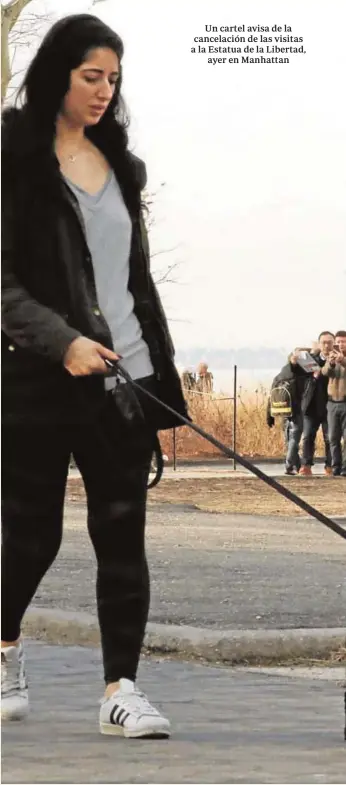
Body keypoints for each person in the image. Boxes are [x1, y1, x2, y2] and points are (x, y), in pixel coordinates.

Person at [1, 14, 189, 738]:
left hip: (124, 381)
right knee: (31, 537)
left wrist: (154, 372)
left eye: (113, 78)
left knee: (122, 532)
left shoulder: (121, 167)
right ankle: (6, 648)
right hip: (38, 383)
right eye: (91, 76)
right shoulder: (11, 156)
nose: (105, 90)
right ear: (56, 73)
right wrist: (65, 339)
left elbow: (133, 283)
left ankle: (121, 688)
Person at [291, 332, 334, 476]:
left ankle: (330, 465)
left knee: (330, 438)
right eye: (324, 342)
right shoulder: (310, 360)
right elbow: (297, 373)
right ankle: (306, 465)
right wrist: (293, 362)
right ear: (319, 344)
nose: (327, 345)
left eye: (329, 342)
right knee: (308, 436)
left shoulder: (337, 360)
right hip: (311, 405)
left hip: (330, 405)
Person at [267, 351, 308, 474]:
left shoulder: (279, 376)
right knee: (294, 439)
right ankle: (289, 466)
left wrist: (269, 417)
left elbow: (271, 398)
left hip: (282, 411)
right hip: (295, 411)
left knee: (289, 439)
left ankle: (296, 464)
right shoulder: (298, 377)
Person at [321, 331, 346, 476]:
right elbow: (324, 372)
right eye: (339, 342)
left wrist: (342, 360)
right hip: (332, 404)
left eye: (344, 342)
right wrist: (330, 363)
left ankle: (345, 468)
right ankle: (336, 467)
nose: (341, 344)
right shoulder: (331, 356)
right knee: (333, 438)